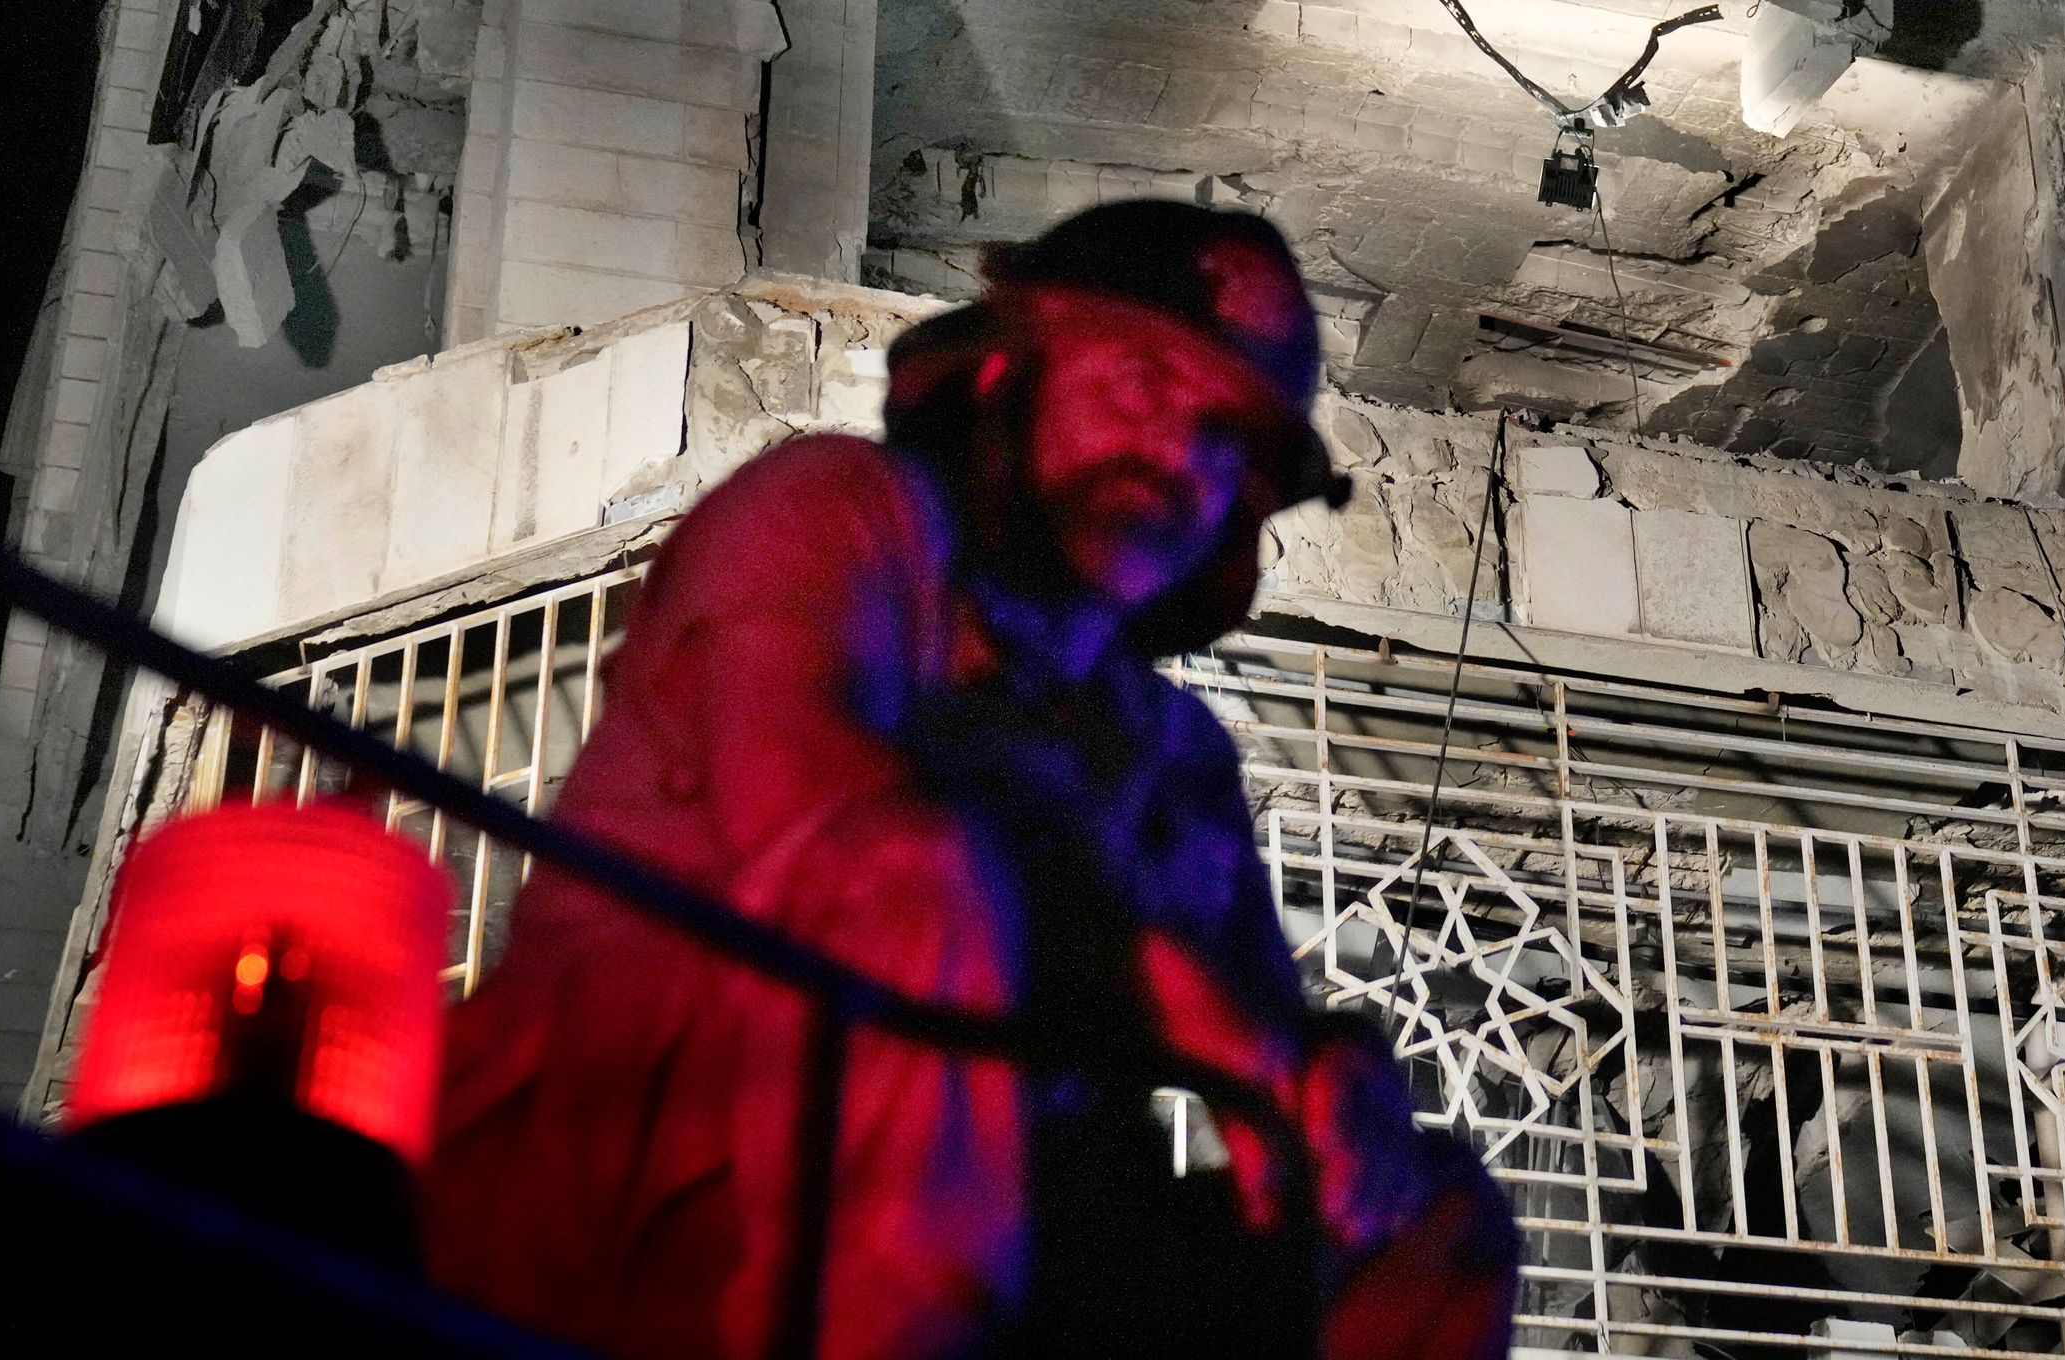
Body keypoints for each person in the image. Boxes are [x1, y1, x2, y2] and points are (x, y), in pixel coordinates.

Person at [423, 201, 1517, 1360]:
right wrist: (1197, 1012)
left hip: (1009, 1242)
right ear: (1010, 367)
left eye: (1226, 431)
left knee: (1435, 1213)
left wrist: (1324, 1087)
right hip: (632, 1188)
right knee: (918, 875)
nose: (1181, 449)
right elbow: (816, 818)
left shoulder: (1170, 756)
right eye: (1141, 377)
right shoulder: (839, 514)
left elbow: (1265, 1060)